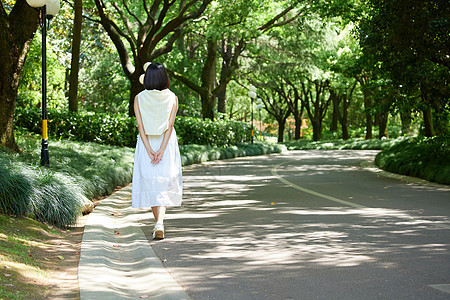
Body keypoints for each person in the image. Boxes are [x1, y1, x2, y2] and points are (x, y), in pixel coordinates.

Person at [131, 62, 183, 240]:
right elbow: (170, 126)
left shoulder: (139, 98)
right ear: (164, 78)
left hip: (147, 143)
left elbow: (140, 126)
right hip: (165, 144)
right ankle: (160, 222)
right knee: (163, 182)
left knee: (152, 183)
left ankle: (158, 223)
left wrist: (149, 150)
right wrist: (161, 150)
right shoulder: (172, 97)